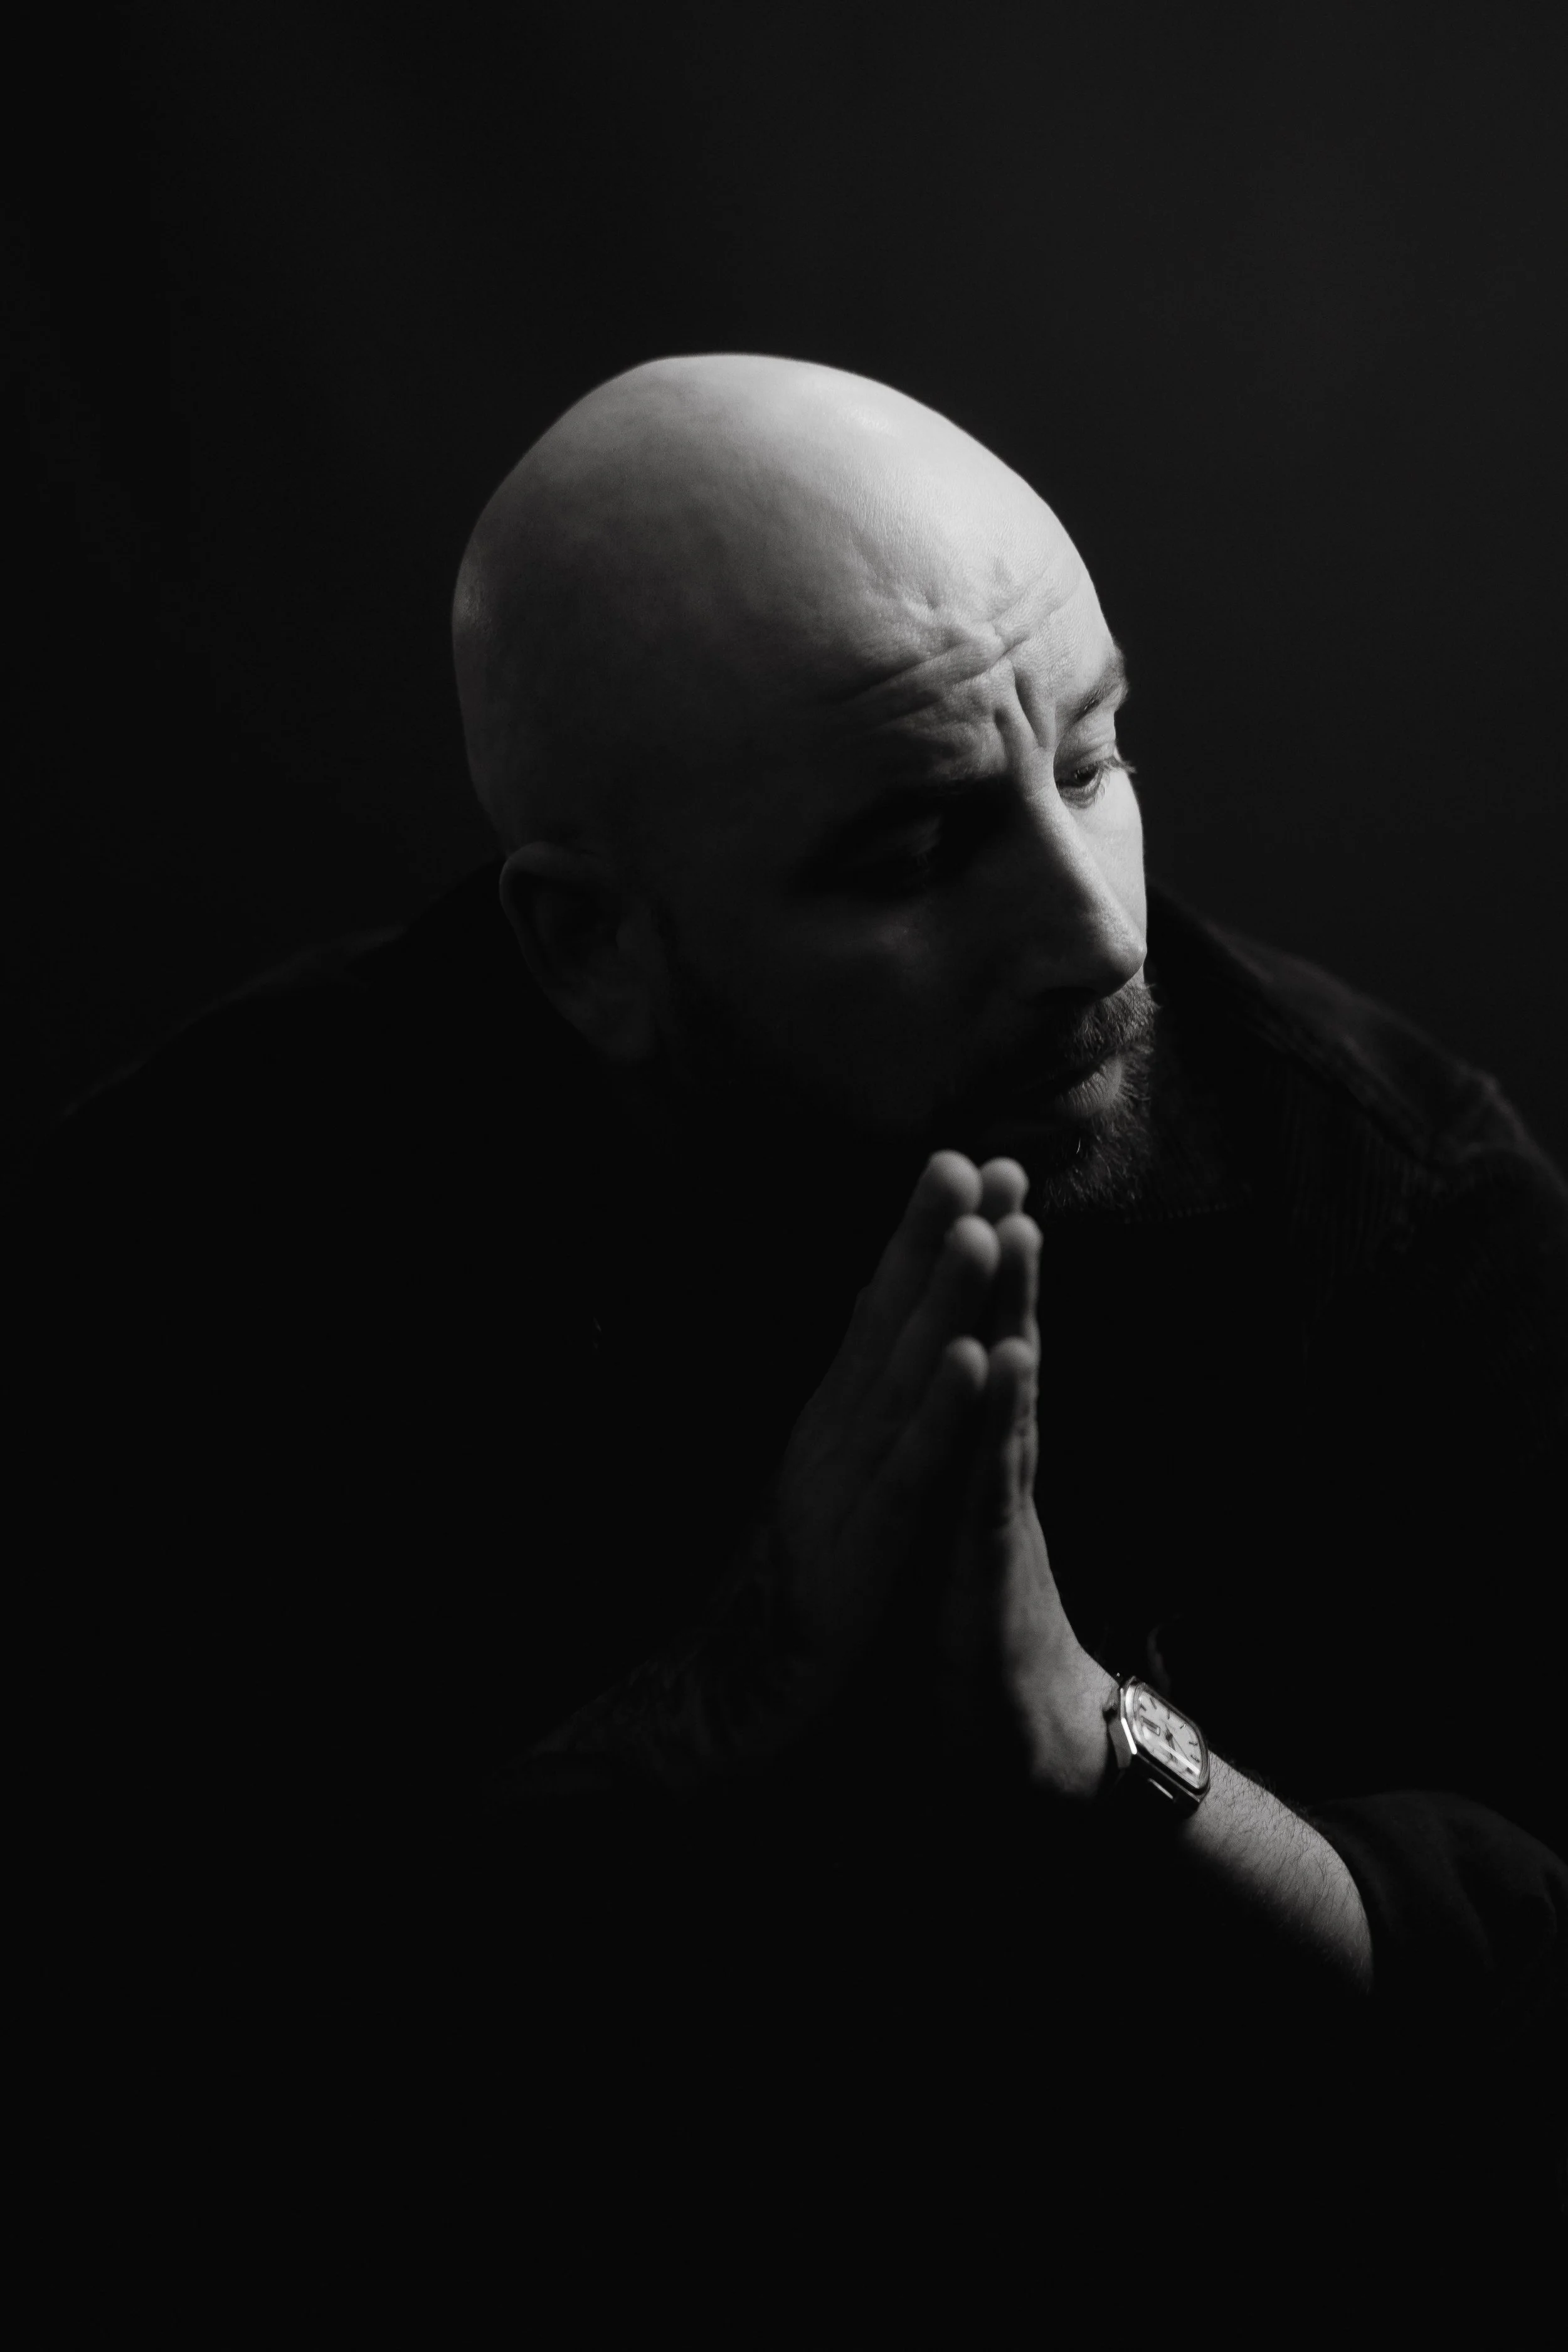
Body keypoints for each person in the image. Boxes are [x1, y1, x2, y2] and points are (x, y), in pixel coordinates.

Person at [19, 356, 1565, 2286]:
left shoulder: (1393, 1197)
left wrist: (1095, 1747)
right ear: (592, 944)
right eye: (913, 852)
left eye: (1091, 757)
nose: (1096, 933)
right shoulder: (200, 1226)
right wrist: (702, 1722)